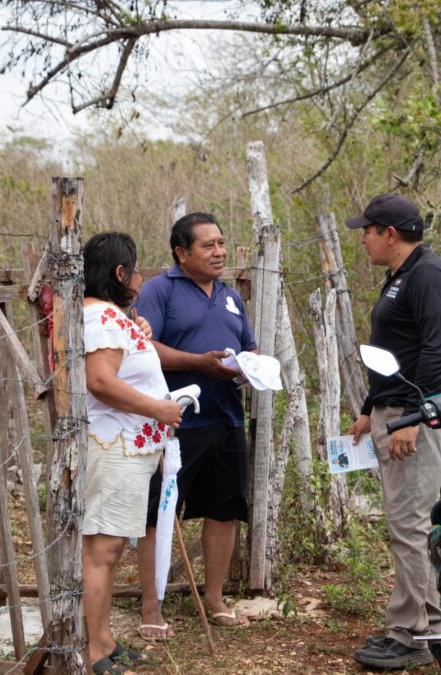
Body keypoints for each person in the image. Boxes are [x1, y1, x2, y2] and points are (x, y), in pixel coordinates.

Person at [345, 194, 441, 670]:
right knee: (404, 525)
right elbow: (396, 351)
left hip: (415, 420)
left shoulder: (428, 275)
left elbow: (437, 354)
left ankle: (422, 634)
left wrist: (414, 416)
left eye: (367, 232)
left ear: (390, 234)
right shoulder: (401, 276)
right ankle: (407, 622)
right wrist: (372, 409)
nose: (364, 241)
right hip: (392, 412)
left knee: (414, 526)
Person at [134, 212, 257, 639]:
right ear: (181, 253)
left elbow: (248, 347)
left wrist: (247, 368)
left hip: (226, 417)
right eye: (208, 245)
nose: (219, 251)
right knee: (158, 513)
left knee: (224, 510)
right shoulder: (159, 291)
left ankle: (216, 597)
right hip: (174, 422)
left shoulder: (229, 296)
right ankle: (152, 606)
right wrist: (197, 363)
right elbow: (145, 347)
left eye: (222, 243)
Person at [80, 232, 184, 675]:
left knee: (110, 549)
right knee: (101, 553)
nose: (141, 277)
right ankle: (93, 651)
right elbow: (100, 382)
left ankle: (104, 640)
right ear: (121, 273)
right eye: (137, 268)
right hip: (115, 447)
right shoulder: (100, 316)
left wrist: (133, 327)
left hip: (128, 447)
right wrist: (158, 408)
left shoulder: (110, 316)